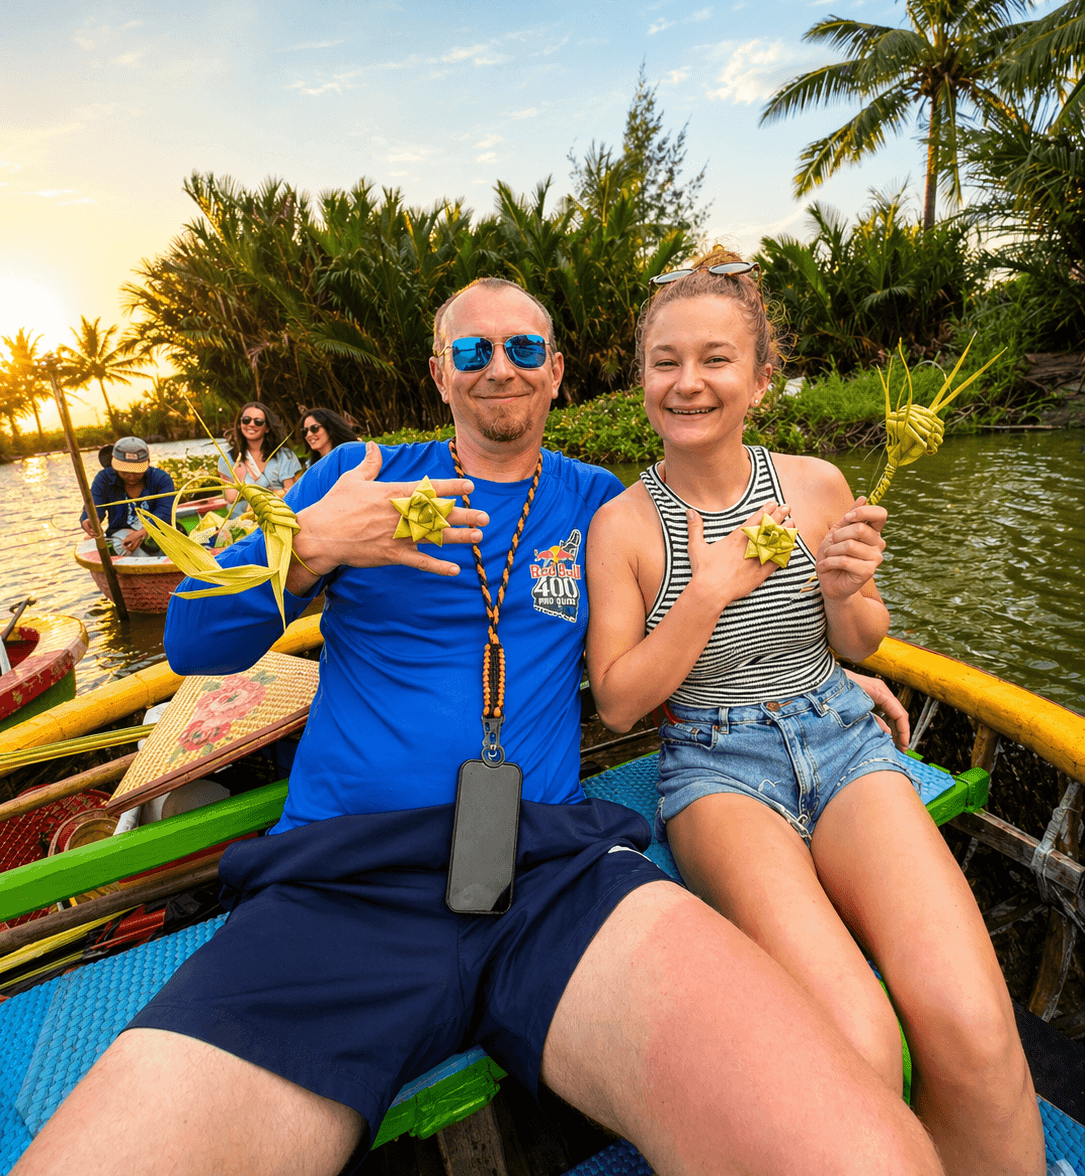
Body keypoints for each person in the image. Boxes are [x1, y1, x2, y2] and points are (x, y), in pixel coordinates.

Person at [17, 278, 943, 1176]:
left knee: (852, 1150)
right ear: (438, 373)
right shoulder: (358, 477)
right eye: (472, 348)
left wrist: (817, 676)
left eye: (523, 348)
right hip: (346, 882)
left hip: (554, 869)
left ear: (555, 371)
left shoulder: (599, 503)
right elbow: (191, 639)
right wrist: (311, 545)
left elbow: (674, 634)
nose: (499, 365)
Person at [585, 251, 1044, 1176]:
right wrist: (708, 589)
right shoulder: (625, 526)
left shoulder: (815, 484)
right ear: (640, 379)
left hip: (837, 733)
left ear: (759, 376)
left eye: (715, 358)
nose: (687, 382)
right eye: (663, 361)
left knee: (974, 1022)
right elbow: (621, 698)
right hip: (716, 767)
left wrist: (845, 588)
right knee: (856, 1035)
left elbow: (863, 640)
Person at [80, 436, 178, 558]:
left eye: (136, 472)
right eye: (124, 472)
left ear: (147, 464)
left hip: (158, 532)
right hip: (120, 535)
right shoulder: (104, 479)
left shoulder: (161, 479)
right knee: (122, 545)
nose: (131, 477)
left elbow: (166, 510)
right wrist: (89, 520)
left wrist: (143, 532)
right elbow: (95, 504)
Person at [219, 401, 301, 517]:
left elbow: (291, 492)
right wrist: (240, 479)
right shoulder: (228, 459)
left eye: (258, 422)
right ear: (239, 424)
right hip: (241, 521)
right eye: (246, 420)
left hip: (277, 516)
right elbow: (231, 498)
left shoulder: (284, 455)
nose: (251, 424)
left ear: (267, 428)